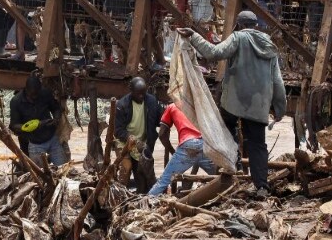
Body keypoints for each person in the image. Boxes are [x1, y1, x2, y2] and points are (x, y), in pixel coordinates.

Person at [177, 11, 286, 195]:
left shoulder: (238, 37)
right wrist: (280, 108)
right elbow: (277, 81)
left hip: (234, 101)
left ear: (239, 25)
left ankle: (231, 166)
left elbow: (213, 53)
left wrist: (193, 35)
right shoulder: (269, 45)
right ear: (254, 25)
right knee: (257, 145)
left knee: (227, 128)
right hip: (258, 105)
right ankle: (262, 187)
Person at [148, 104, 216, 196]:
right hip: (205, 144)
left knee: (163, 181)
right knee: (220, 177)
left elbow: (162, 134)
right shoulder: (196, 103)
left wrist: (172, 151)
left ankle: (146, 202)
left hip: (188, 144)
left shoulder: (172, 106)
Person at [114, 77, 164, 190]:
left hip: (143, 144)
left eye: (143, 93)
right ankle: (120, 194)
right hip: (124, 143)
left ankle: (141, 195)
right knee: (126, 168)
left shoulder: (151, 101)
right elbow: (118, 131)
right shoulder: (122, 105)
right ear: (131, 91)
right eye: (138, 94)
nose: (141, 96)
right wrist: (133, 140)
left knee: (142, 174)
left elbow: (161, 119)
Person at [9, 75, 66, 167]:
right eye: (32, 94)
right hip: (35, 144)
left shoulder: (45, 93)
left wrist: (56, 118)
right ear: (26, 90)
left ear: (40, 89)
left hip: (52, 139)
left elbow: (56, 108)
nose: (35, 97)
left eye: (37, 94)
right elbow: (13, 125)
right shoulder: (16, 101)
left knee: (63, 169)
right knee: (39, 174)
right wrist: (33, 126)